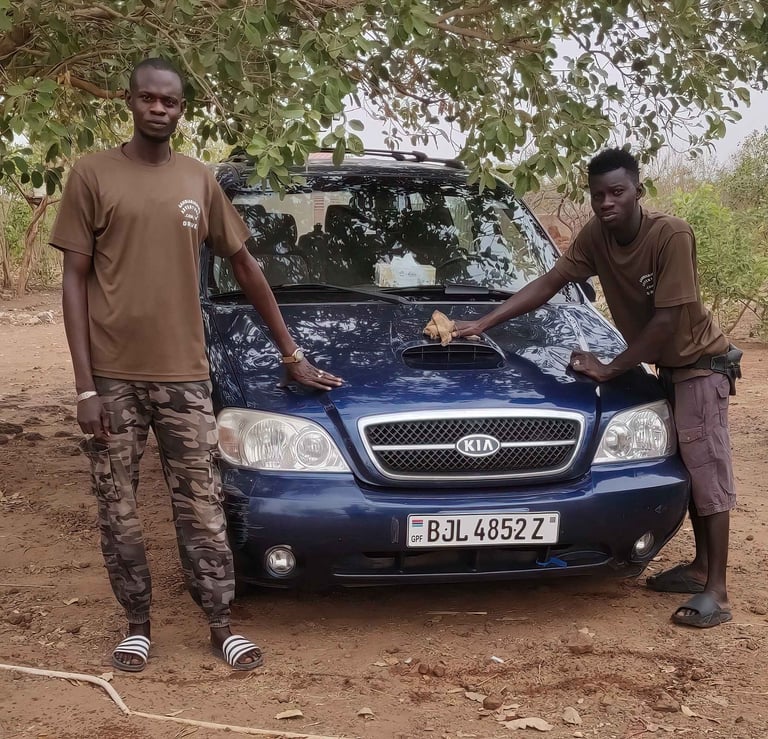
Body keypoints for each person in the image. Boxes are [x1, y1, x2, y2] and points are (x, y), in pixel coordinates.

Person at [50, 57, 343, 672]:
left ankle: (220, 624)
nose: (159, 109)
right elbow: (73, 281)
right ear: (129, 102)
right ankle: (137, 625)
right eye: (149, 99)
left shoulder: (198, 181)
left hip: (185, 376)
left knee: (203, 508)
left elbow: (244, 267)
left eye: (171, 102)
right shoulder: (93, 174)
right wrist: (84, 386)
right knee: (119, 508)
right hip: (112, 378)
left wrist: (291, 354)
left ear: (182, 111)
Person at [452, 147, 739, 629]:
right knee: (690, 468)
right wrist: (485, 322)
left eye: (617, 193)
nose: (607, 203)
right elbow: (550, 282)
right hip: (666, 369)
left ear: (638, 193)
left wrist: (610, 368)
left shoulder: (671, 235)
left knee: (708, 473)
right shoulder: (597, 237)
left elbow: (667, 322)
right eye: (598, 195)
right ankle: (699, 568)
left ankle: (718, 590)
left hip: (698, 367)